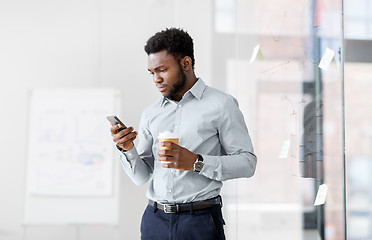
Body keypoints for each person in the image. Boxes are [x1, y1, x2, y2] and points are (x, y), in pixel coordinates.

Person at [110, 28, 257, 240]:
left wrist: (196, 162)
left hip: (200, 221)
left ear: (185, 64)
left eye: (162, 70)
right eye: (152, 73)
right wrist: (127, 150)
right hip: (154, 221)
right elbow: (140, 176)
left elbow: (247, 163)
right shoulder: (151, 114)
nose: (156, 79)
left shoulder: (222, 104)